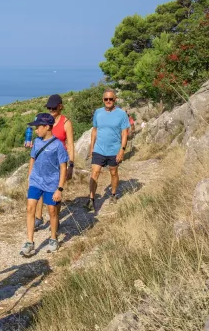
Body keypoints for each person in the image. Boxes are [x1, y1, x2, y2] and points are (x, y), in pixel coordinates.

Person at [20, 113, 68, 256]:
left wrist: (59, 189)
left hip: (52, 183)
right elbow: (32, 159)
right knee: (30, 209)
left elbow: (63, 167)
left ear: (47, 127)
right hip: (36, 181)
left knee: (52, 211)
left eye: (38, 127)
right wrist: (30, 178)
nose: (35, 130)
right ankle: (29, 242)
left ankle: (53, 238)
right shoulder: (37, 142)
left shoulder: (58, 145)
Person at [33, 94, 75, 231]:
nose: (51, 109)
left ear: (60, 107)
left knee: (56, 192)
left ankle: (55, 219)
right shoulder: (45, 120)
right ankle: (38, 218)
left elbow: (70, 144)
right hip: (44, 160)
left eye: (53, 107)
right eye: (49, 107)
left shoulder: (66, 123)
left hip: (59, 162)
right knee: (39, 188)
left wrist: (71, 166)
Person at [85, 89, 130, 212]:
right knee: (95, 173)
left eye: (111, 99)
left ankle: (113, 194)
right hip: (99, 149)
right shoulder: (98, 112)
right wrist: (92, 147)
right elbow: (95, 130)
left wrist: (122, 150)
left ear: (115, 99)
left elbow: (125, 133)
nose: (108, 101)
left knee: (113, 172)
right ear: (103, 100)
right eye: (106, 99)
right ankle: (91, 199)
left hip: (114, 150)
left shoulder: (121, 114)